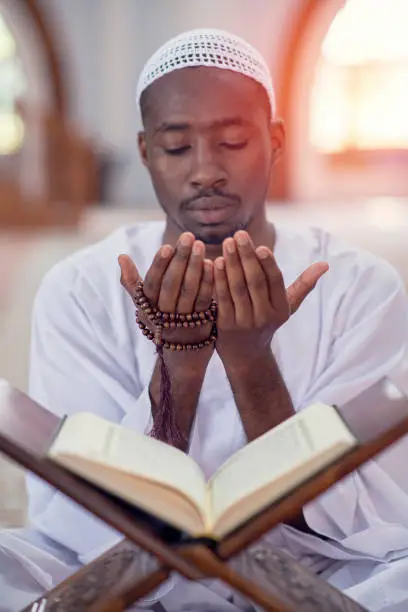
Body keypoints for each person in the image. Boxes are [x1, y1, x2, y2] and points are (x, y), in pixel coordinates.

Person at [1, 28, 408, 612]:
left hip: (312, 565)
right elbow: (82, 520)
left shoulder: (358, 284)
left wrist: (251, 361)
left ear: (274, 141)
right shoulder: (81, 286)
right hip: (127, 567)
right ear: (145, 152)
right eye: (176, 148)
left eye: (233, 142)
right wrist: (178, 367)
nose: (205, 171)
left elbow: (361, 516)